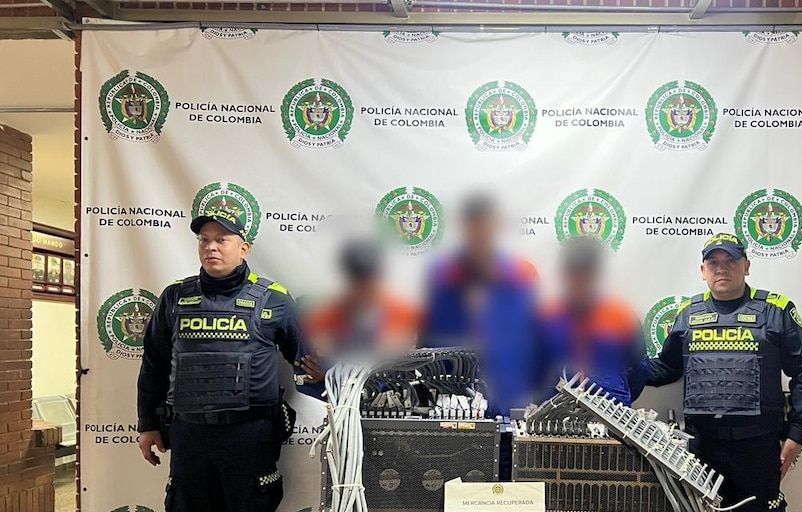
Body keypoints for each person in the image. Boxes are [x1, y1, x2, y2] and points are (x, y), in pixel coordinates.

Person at [136, 210, 302, 512]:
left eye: (221, 240)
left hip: (250, 436)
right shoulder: (174, 297)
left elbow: (306, 359)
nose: (211, 247)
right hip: (190, 436)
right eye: (204, 240)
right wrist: (147, 424)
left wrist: (331, 385)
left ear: (243, 248)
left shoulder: (274, 299)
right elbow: (154, 365)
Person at [645, 233, 802, 512]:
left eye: (730, 260)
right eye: (713, 262)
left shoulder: (776, 310)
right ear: (703, 271)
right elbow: (667, 367)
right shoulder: (688, 313)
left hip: (757, 446)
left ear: (746, 266)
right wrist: (624, 368)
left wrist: (797, 434)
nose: (721, 268)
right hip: (702, 447)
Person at [420, 192, 541, 418]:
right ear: (464, 228)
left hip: (507, 398)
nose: (480, 233)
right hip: (452, 403)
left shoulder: (521, 278)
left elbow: (536, 342)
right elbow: (427, 343)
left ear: (497, 227)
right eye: (474, 226)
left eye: (486, 226)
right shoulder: (443, 277)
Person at [294, 238, 419, 399]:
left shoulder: (402, 314)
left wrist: (332, 376)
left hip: (388, 404)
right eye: (358, 280)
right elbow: (307, 372)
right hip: (336, 405)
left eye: (370, 279)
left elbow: (408, 373)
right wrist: (329, 377)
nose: (364, 288)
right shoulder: (324, 317)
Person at [538, 237, 647, 405]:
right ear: (563, 274)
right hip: (556, 413)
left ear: (598, 274)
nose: (580, 281)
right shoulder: (547, 317)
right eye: (574, 274)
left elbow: (638, 370)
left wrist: (616, 395)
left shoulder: (622, 318)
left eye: (586, 274)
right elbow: (536, 371)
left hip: (611, 413)